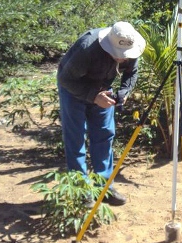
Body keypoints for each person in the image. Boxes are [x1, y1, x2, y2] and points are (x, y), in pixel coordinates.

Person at [57, 21, 146, 206]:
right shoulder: (87, 47)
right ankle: (81, 190)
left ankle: (104, 187)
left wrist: (125, 91)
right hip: (74, 89)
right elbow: (65, 79)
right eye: (119, 55)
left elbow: (132, 72)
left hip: (103, 89)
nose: (123, 59)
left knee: (105, 135)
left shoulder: (129, 43)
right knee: (76, 138)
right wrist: (93, 96)